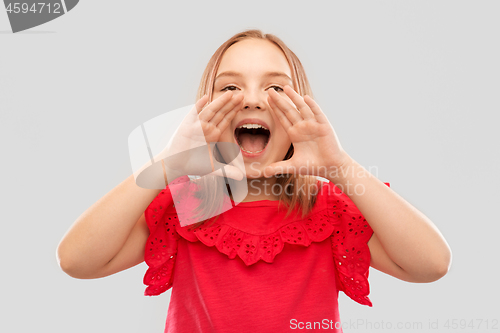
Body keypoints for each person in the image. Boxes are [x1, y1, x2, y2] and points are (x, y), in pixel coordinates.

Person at [57, 29, 452, 332]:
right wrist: (167, 163)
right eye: (229, 87)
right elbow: (76, 261)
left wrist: (338, 166)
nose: (251, 99)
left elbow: (431, 264)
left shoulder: (327, 209)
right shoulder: (190, 206)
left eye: (276, 87)